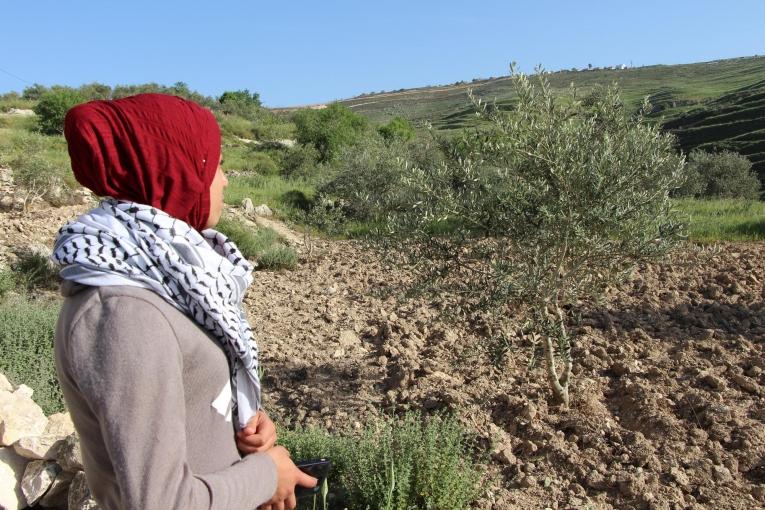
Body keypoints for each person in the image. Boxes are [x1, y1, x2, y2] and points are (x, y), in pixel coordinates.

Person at [51, 93, 316, 510]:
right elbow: (160, 501)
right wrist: (267, 476)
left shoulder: (163, 280)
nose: (225, 180)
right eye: (214, 164)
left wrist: (236, 428)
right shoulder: (124, 312)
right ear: (177, 173)